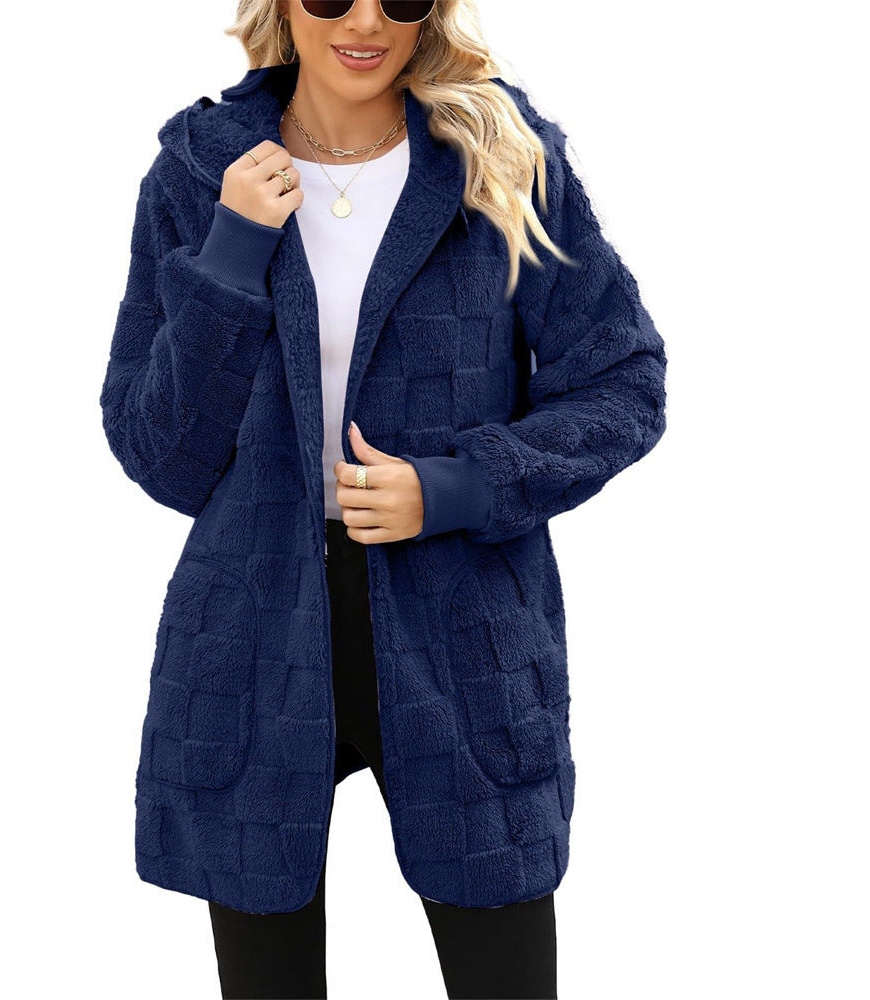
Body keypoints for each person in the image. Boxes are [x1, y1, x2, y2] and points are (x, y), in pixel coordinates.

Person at [99, 1, 667, 997]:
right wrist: (232, 248)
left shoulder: (502, 161)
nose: (365, 20)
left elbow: (622, 381)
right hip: (253, 629)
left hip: (464, 628)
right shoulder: (200, 174)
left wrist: (455, 486)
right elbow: (163, 457)